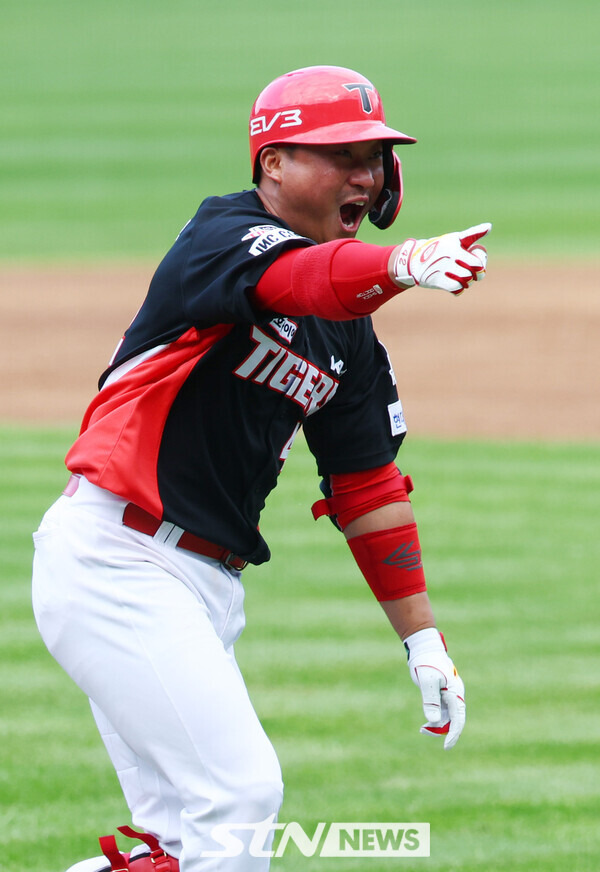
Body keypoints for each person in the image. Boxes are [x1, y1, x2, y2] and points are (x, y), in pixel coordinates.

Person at [32, 65, 490, 872]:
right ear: (272, 162)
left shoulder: (349, 337)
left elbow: (368, 488)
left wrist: (424, 643)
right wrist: (403, 264)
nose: (367, 175)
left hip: (202, 585)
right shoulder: (221, 239)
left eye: (376, 157)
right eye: (342, 154)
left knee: (181, 845)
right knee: (239, 797)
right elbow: (298, 278)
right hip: (117, 561)